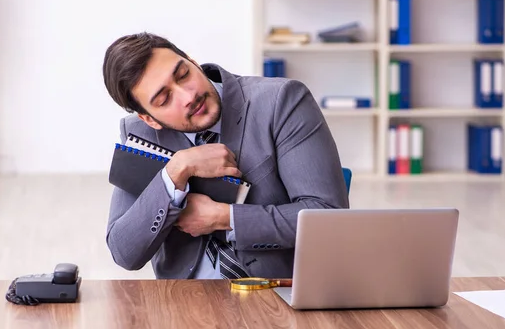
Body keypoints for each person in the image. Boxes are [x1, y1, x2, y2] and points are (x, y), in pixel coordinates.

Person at [102, 32, 349, 279]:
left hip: (276, 293)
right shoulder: (139, 134)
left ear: (192, 60)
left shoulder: (281, 102)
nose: (189, 97)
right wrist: (176, 170)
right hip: (184, 302)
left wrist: (225, 218)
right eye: (165, 99)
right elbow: (125, 253)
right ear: (149, 119)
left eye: (183, 74)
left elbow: (327, 218)